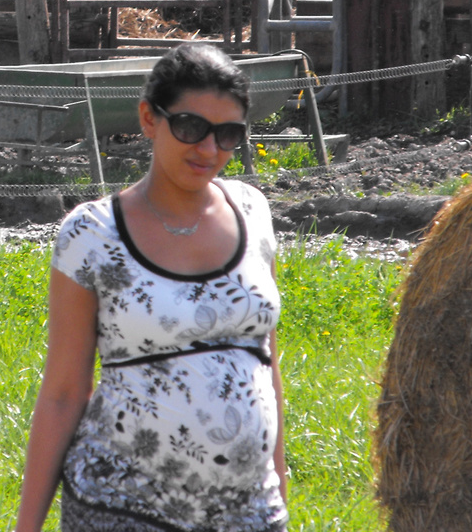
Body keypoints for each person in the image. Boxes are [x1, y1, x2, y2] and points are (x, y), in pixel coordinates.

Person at [15, 43, 287, 532]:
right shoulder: (91, 234)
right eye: (190, 128)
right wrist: (27, 527)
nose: (209, 149)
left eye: (228, 134)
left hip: (248, 512)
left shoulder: (253, 211)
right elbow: (63, 392)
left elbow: (265, 361)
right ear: (148, 118)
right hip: (120, 507)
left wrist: (278, 492)